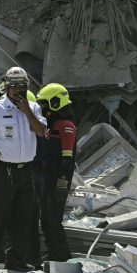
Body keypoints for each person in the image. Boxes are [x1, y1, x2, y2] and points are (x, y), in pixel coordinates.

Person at [0, 66, 47, 273]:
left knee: (23, 216)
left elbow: (42, 132)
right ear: (6, 87)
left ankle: (15, 259)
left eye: (22, 86)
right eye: (13, 86)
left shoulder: (33, 108)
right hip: (3, 170)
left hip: (26, 171)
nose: (18, 90)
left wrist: (26, 112)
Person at [35, 83, 77, 261]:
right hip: (48, 179)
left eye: (44, 104)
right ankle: (53, 253)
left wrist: (61, 183)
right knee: (45, 220)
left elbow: (66, 160)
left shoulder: (65, 125)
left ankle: (61, 256)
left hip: (57, 181)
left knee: (52, 220)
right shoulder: (51, 126)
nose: (42, 108)